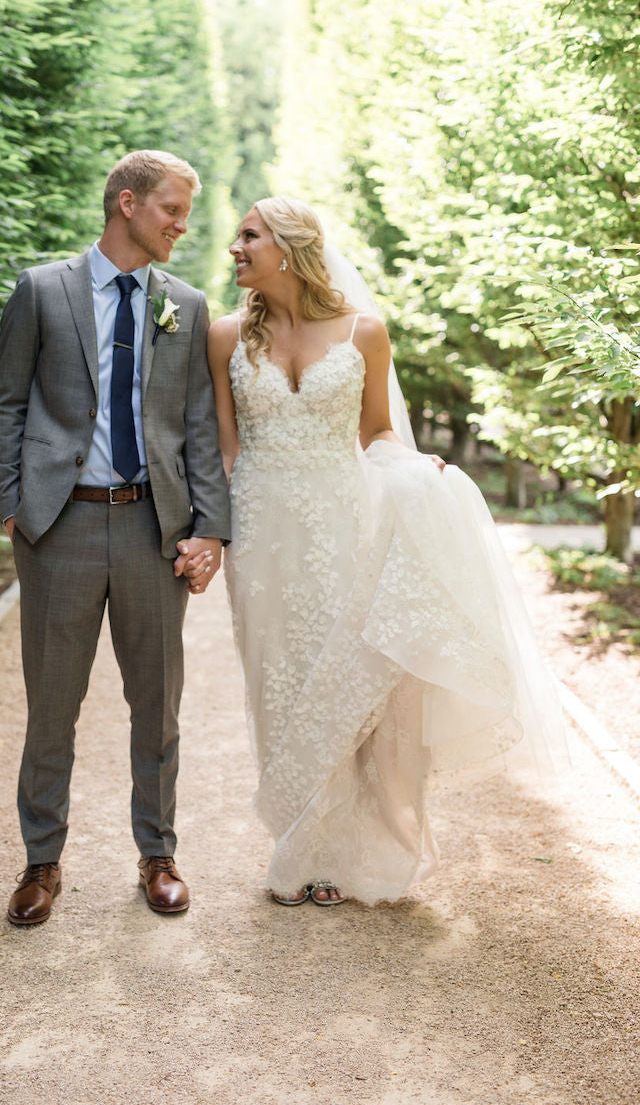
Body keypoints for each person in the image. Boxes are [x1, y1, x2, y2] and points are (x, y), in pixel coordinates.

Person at [206, 196, 567, 908]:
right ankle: (300, 847)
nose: (235, 248)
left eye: (249, 236)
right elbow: (225, 449)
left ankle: (346, 854)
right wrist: (212, 533)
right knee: (278, 682)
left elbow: (377, 432)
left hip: (345, 525)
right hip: (261, 532)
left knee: (352, 686)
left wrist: (414, 468)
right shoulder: (223, 337)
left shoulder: (365, 332)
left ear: (289, 246)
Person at [0, 150, 230, 925]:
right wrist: (13, 505)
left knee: (156, 703)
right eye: (172, 211)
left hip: (151, 529)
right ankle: (40, 863)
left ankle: (157, 855)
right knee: (51, 703)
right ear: (127, 203)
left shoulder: (183, 305)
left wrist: (211, 529)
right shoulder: (41, 290)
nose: (182, 227)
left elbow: (197, 427)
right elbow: (8, 405)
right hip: (57, 525)